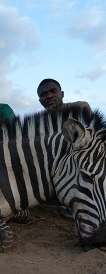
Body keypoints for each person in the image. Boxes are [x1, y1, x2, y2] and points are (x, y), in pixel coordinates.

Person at [37, 78, 92, 219]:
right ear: (40, 101)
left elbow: (91, 139)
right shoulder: (40, 123)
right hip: (59, 167)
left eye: (53, 91)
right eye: (43, 94)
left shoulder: (80, 108)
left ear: (62, 94)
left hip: (83, 158)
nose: (49, 96)